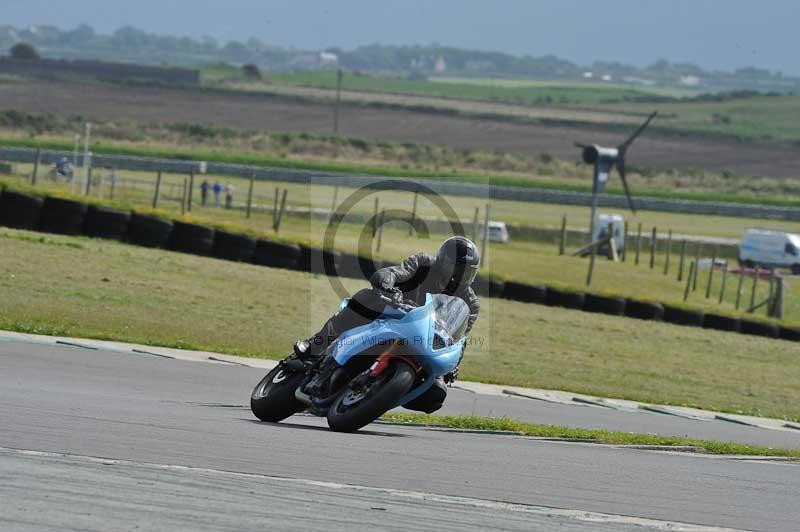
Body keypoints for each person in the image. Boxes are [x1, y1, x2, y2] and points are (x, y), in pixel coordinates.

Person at [294, 236, 481, 413]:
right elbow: (395, 273)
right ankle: (316, 343)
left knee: (436, 392)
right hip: (392, 315)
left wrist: (453, 365)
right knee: (364, 298)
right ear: (443, 261)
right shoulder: (424, 264)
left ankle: (381, 394)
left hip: (425, 339)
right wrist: (388, 286)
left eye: (468, 270)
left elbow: (460, 336)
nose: (462, 274)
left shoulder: (470, 301)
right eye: (457, 268)